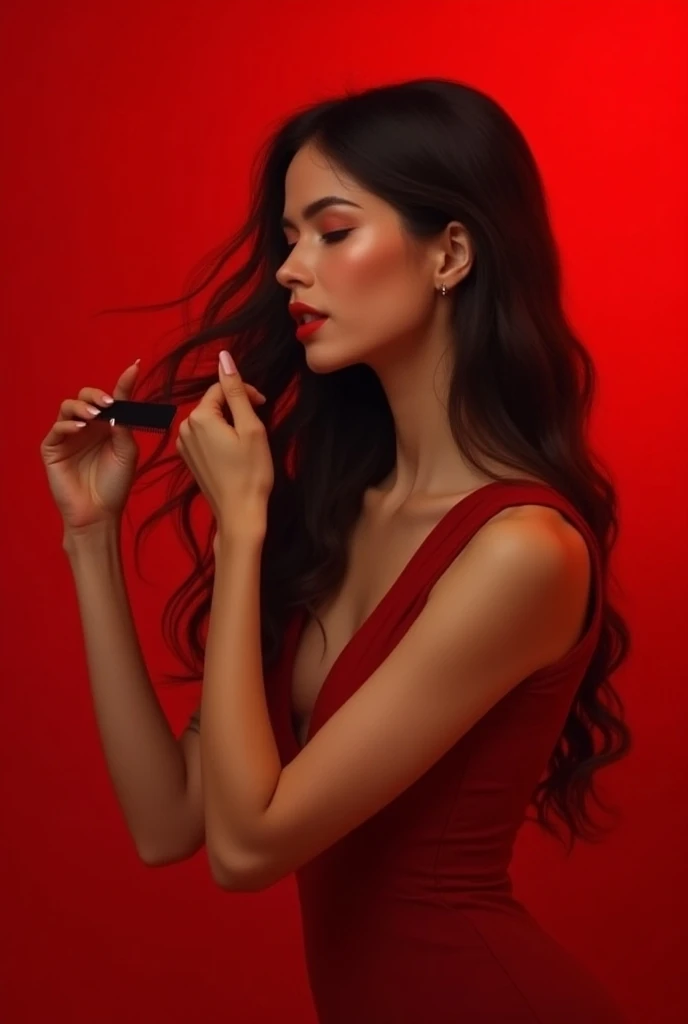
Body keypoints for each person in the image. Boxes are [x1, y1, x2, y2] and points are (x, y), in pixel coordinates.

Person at [40, 78, 631, 1023]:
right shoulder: (331, 512)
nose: (288, 269)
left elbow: (248, 850)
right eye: (287, 240)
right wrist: (90, 535)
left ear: (451, 253)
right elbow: (168, 823)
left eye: (332, 230)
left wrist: (243, 524)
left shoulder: (522, 551)